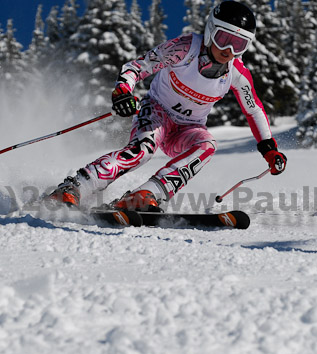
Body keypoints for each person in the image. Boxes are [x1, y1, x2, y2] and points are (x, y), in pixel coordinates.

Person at [46, 1, 287, 211]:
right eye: (224, 39)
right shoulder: (185, 49)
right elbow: (138, 67)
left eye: (239, 44)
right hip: (157, 112)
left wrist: (268, 148)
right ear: (211, 31)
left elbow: (253, 108)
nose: (229, 50)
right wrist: (123, 90)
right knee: (143, 151)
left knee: (207, 145)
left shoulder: (237, 73)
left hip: (187, 128)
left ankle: (145, 195)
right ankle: (74, 187)